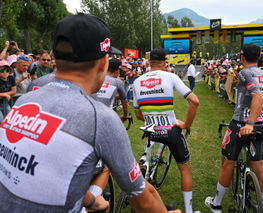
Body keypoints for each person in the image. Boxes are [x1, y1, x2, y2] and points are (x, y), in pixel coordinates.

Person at [0, 13, 180, 213]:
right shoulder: (100, 118)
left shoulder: (24, 101)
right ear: (104, 62)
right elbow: (143, 198)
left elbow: (47, 172)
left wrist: (92, 201)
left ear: (54, 57)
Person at [205, 43, 263, 213]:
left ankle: (216, 204)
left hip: (242, 123)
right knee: (259, 168)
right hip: (261, 123)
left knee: (227, 163)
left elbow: (257, 97)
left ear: (242, 58)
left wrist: (249, 123)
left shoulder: (244, 72)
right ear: (258, 58)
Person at [132, 48, 200, 213]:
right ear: (164, 62)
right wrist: (186, 125)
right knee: (185, 170)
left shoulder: (136, 81)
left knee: (148, 155)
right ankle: (189, 210)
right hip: (170, 130)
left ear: (149, 63)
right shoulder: (170, 76)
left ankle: (145, 170)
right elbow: (194, 101)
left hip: (150, 128)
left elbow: (138, 115)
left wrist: (151, 118)